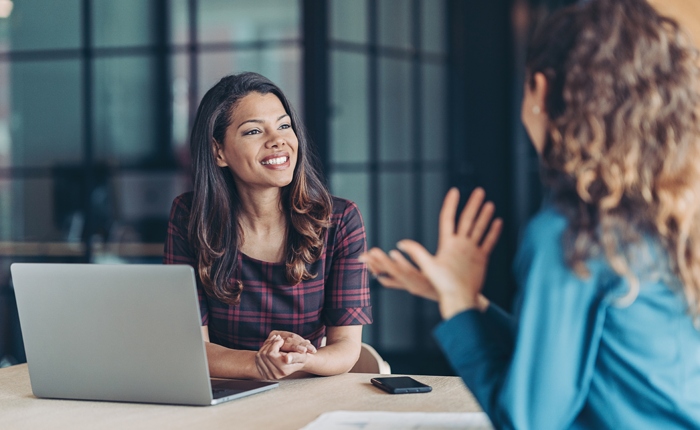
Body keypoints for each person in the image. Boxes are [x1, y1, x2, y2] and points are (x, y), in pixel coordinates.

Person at [360, 0, 700, 428]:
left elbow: (529, 420)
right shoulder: (672, 211)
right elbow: (585, 360)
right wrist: (467, 303)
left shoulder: (572, 232)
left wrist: (462, 306)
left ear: (540, 89)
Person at [164, 72, 372, 380]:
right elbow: (191, 345)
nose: (278, 140)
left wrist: (300, 359)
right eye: (253, 132)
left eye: (284, 125)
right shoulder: (189, 217)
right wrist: (259, 364)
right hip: (225, 393)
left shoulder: (339, 220)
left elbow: (346, 346)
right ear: (218, 151)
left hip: (306, 389)